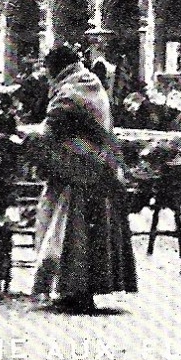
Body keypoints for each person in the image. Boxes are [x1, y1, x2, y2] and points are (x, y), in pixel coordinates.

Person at [26, 45, 136, 314]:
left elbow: (54, 123)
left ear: (56, 68)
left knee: (74, 232)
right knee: (85, 231)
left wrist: (27, 139)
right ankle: (72, 290)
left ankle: (75, 291)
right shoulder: (87, 82)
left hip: (82, 170)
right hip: (95, 167)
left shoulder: (72, 88)